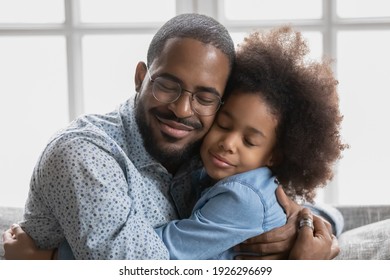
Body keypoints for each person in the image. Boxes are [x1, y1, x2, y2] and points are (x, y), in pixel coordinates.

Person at [2, 14, 337, 260]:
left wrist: (310, 228)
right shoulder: (83, 155)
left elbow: (282, 204)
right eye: (167, 85)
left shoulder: (204, 150)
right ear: (140, 77)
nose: (182, 109)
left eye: (205, 97)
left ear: (219, 103)